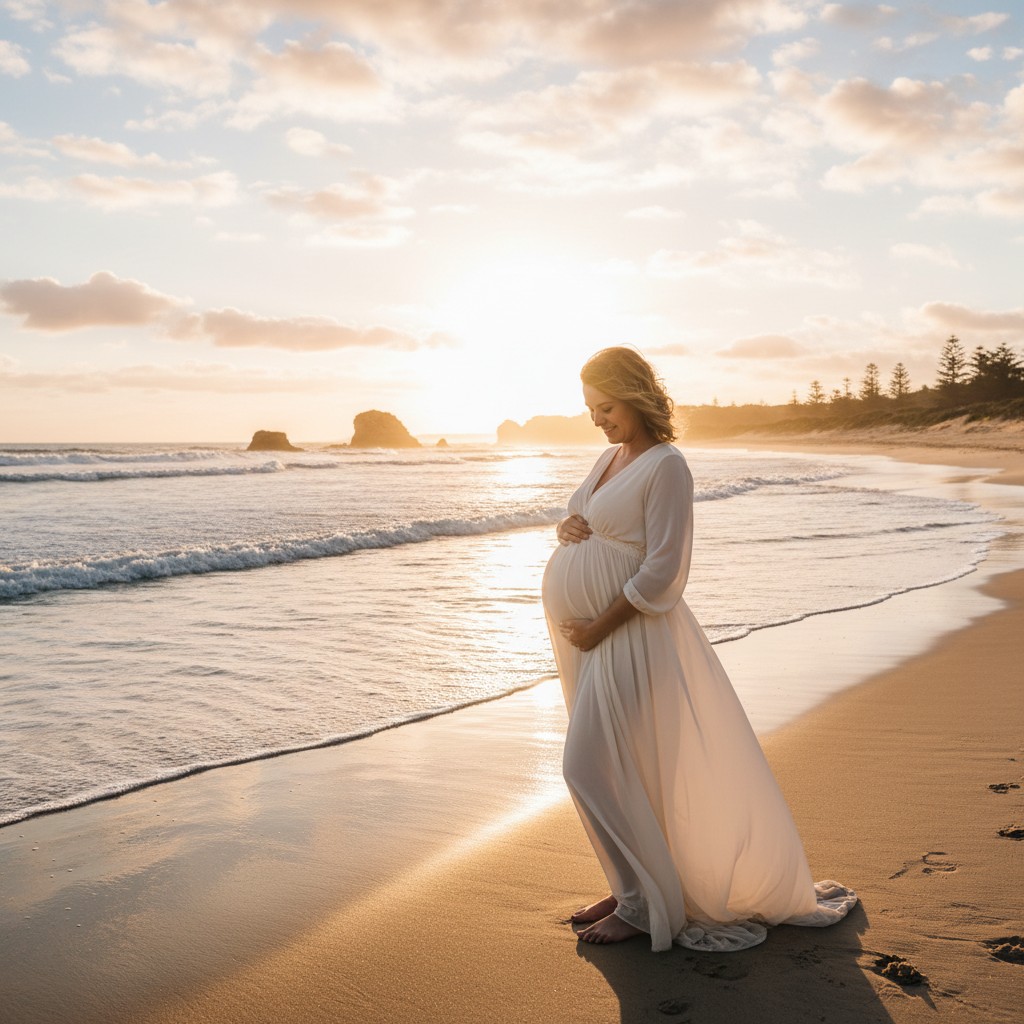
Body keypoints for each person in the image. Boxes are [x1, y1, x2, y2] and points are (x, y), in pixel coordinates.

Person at [541, 347, 857, 952]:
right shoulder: (610, 456)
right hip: (589, 644)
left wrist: (600, 624)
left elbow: (664, 569)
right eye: (589, 409)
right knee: (614, 766)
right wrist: (567, 528)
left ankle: (642, 906)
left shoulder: (667, 465)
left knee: (586, 768)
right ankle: (630, 884)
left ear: (635, 396)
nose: (597, 420)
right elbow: (583, 517)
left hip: (630, 638)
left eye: (605, 407)